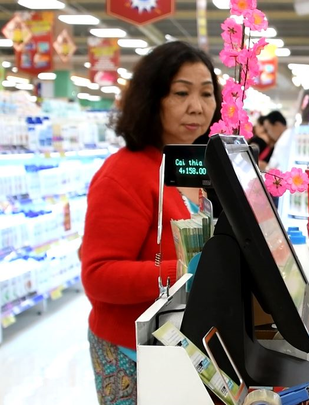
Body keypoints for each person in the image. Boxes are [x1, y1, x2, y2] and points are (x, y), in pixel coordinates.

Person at [81, 41, 221, 405]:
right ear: (151, 98)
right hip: (132, 351)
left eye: (207, 93)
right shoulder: (123, 174)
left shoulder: (192, 164)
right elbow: (98, 275)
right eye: (181, 93)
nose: (197, 107)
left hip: (179, 345)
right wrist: (187, 272)